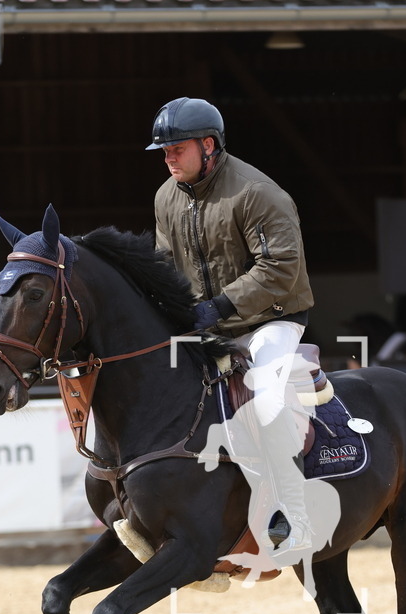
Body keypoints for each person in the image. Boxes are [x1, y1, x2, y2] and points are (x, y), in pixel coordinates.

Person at [147, 96, 315, 554]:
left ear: (209, 145)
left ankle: (294, 517)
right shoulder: (166, 197)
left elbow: (281, 268)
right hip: (210, 322)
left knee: (265, 402)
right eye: (163, 151)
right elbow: (165, 265)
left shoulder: (257, 193)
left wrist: (219, 306)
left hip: (270, 318)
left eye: (176, 149)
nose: (168, 158)